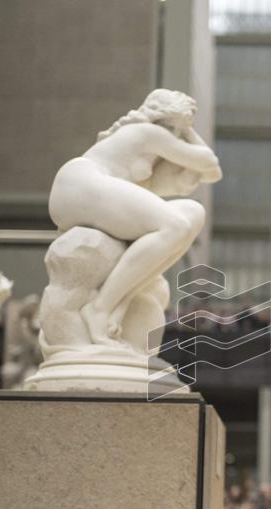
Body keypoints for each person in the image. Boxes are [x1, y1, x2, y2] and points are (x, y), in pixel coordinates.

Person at [48, 89, 222, 346]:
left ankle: (119, 304)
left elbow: (212, 173)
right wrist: (186, 130)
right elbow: (207, 159)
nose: (177, 134)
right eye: (176, 126)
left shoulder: (155, 151)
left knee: (193, 214)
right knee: (173, 225)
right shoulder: (147, 132)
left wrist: (184, 127)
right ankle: (99, 309)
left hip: (93, 192)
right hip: (78, 184)